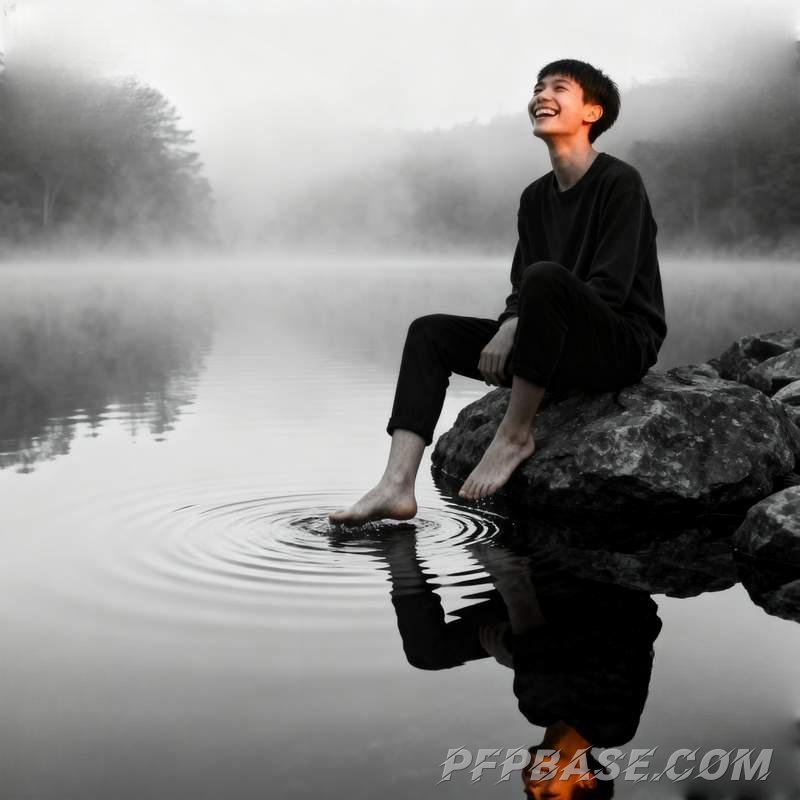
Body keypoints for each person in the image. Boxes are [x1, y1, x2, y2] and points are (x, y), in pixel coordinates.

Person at [330, 58, 667, 527]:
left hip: (619, 345)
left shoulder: (619, 182)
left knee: (547, 277)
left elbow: (608, 291)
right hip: (552, 341)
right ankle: (396, 485)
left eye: (559, 88)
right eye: (537, 87)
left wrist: (524, 322)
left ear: (592, 112)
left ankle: (513, 435)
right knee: (429, 333)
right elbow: (520, 284)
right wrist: (511, 324)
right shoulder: (534, 198)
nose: (541, 96)